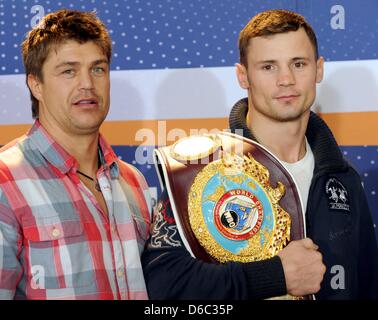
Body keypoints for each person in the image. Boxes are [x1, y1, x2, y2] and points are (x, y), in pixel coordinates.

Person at [142, 9, 378, 299]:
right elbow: (164, 288)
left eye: (299, 64)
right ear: (243, 76)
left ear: (319, 69)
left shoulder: (343, 179)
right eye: (268, 67)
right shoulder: (201, 171)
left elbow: (367, 286)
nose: (286, 79)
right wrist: (274, 277)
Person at [0, 9, 151, 300]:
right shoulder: (6, 180)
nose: (87, 84)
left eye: (98, 69)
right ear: (36, 85)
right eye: (68, 71)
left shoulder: (134, 182)